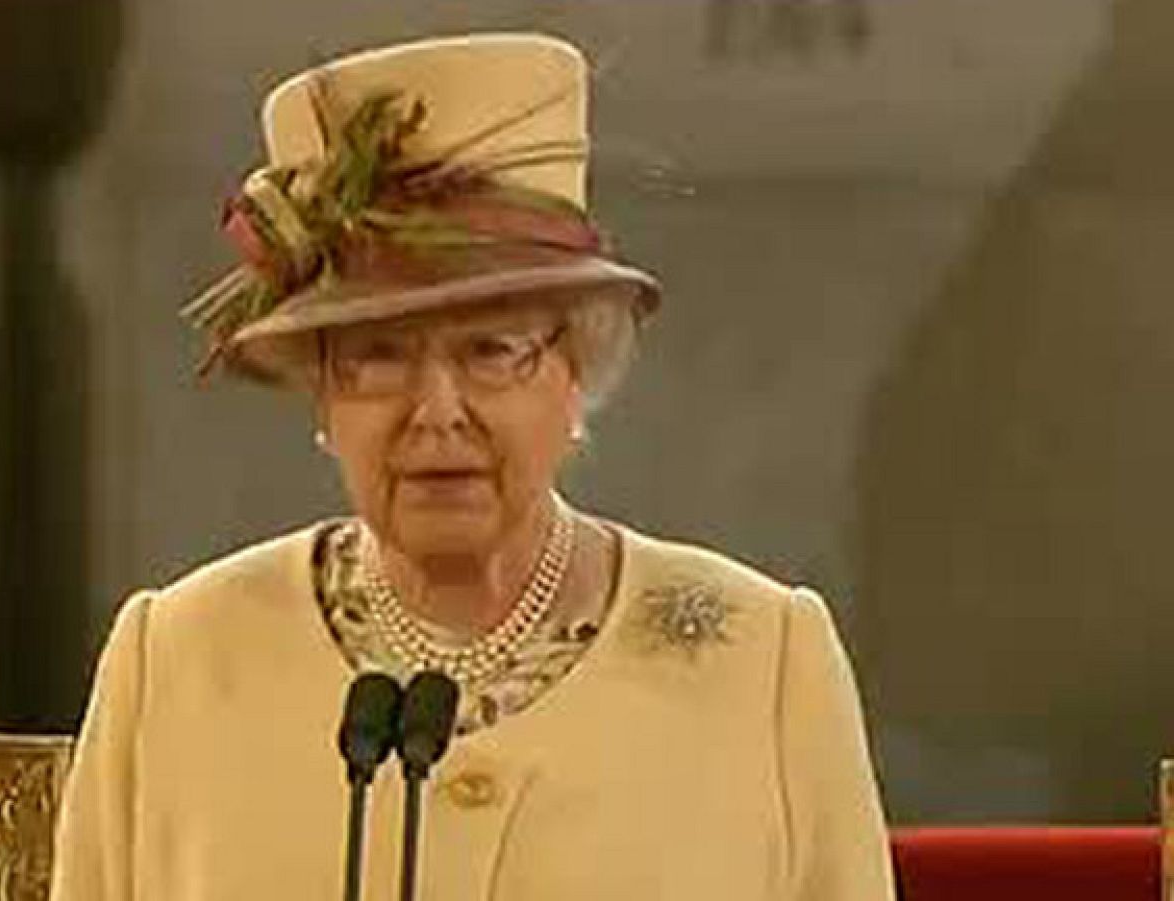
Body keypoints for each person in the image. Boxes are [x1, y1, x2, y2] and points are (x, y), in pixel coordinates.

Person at [51, 33, 893, 901]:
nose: (437, 408)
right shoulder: (180, 657)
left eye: (491, 350)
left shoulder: (761, 661)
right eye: (378, 356)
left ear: (577, 375)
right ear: (323, 398)